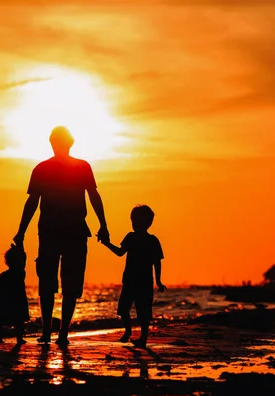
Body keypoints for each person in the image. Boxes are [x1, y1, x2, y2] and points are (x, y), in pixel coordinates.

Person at [12, 126, 110, 345]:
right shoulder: (74, 167)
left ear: (53, 142)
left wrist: (21, 231)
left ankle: (52, 332)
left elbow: (32, 203)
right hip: (64, 231)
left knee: (53, 283)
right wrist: (103, 225)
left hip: (55, 231)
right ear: (70, 142)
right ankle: (59, 332)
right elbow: (33, 202)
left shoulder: (45, 168)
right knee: (65, 284)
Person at [100, 204, 166, 349]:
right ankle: (128, 330)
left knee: (144, 311)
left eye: (137, 221)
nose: (134, 224)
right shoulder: (130, 237)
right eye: (133, 221)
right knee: (123, 309)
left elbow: (157, 262)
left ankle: (143, 338)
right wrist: (107, 244)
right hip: (129, 281)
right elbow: (120, 252)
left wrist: (159, 281)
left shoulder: (152, 241)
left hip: (145, 281)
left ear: (148, 223)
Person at [0, 243, 29, 344]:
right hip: (17, 301)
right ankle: (19, 338)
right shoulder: (20, 273)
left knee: (0, 320)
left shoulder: (4, 275)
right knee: (19, 321)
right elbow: (24, 259)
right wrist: (20, 249)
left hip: (5, 302)